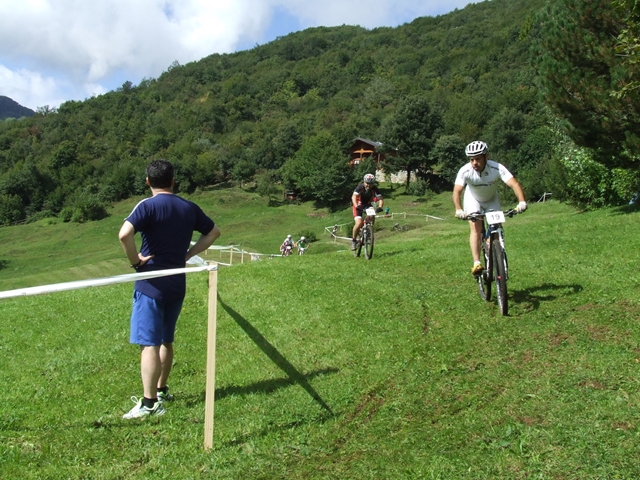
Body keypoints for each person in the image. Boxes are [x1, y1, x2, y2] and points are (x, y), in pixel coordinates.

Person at [118, 159, 221, 419]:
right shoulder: (188, 207)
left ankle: (149, 403)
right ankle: (161, 390)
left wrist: (135, 261)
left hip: (151, 283)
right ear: (173, 181)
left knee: (149, 343)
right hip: (177, 281)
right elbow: (213, 233)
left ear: (148, 182)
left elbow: (124, 234)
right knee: (166, 339)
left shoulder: (147, 206)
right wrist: (187, 255)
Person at [452, 141, 527, 275]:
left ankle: (495, 249)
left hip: (491, 199)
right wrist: (459, 209)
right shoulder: (465, 171)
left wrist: (522, 202)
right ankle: (477, 263)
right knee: (476, 227)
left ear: (486, 157)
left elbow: (514, 184)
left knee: (496, 226)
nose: (474, 163)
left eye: (478, 159)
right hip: (473, 199)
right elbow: (457, 191)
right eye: (471, 159)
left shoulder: (497, 168)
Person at [351, 174, 384, 250]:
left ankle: (369, 230)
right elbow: (353, 197)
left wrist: (380, 207)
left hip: (367, 205)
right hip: (358, 205)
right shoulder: (360, 187)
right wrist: (356, 206)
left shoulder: (375, 188)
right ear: (364, 182)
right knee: (359, 223)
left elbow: (380, 198)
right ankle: (354, 241)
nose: (369, 185)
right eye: (367, 183)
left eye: (371, 184)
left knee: (372, 214)